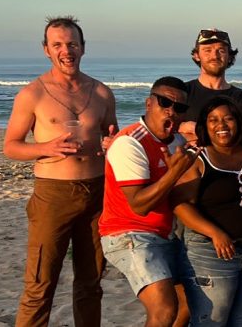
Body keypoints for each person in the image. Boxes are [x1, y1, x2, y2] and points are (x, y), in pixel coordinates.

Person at [2, 16, 117, 327]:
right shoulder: (32, 94)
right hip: (53, 194)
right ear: (46, 50)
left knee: (91, 283)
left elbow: (113, 140)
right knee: (40, 284)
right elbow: (11, 146)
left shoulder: (102, 92)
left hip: (97, 193)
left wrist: (111, 144)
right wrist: (47, 147)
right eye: (58, 45)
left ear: (82, 47)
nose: (66, 51)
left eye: (72, 44)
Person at [98, 76, 195, 327]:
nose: (172, 111)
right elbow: (139, 205)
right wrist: (175, 172)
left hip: (165, 234)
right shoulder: (129, 142)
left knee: (188, 303)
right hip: (129, 233)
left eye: (179, 107)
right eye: (165, 103)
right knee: (164, 308)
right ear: (149, 103)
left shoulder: (177, 143)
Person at [172, 96, 242, 326]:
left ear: (238, 122)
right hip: (210, 252)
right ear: (204, 126)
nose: (221, 125)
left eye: (228, 118)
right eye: (213, 120)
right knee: (212, 320)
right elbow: (180, 205)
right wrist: (215, 233)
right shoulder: (199, 158)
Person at [179, 28, 242, 144]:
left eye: (221, 50)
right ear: (197, 55)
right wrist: (181, 127)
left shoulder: (241, 98)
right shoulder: (182, 92)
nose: (214, 56)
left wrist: (197, 131)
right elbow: (162, 130)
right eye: (207, 50)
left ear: (230, 56)